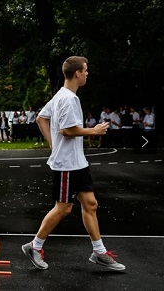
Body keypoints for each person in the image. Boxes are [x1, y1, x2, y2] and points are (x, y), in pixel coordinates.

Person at [22, 56, 124, 271]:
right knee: (64, 208)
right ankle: (35, 246)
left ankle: (99, 252)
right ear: (77, 73)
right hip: (67, 164)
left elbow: (41, 118)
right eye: (85, 70)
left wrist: (52, 144)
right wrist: (93, 131)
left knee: (91, 204)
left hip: (78, 162)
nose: (87, 74)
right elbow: (67, 130)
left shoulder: (62, 95)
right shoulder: (68, 99)